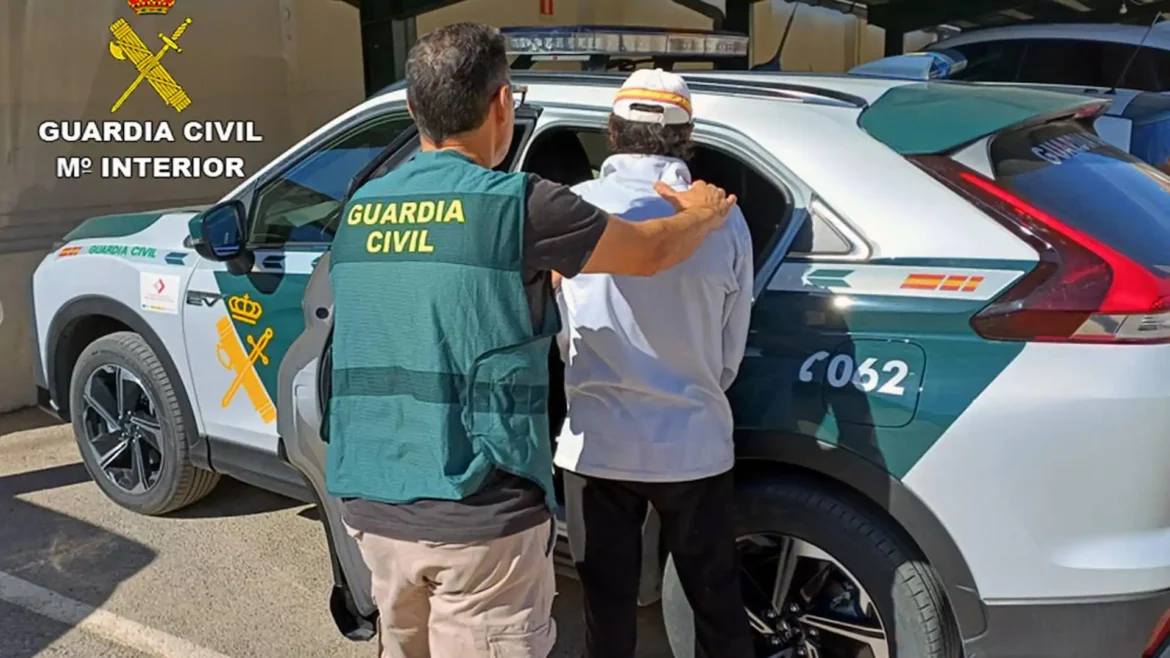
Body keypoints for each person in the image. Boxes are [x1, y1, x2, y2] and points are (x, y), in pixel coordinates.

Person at [325, 23, 738, 658]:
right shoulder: (524, 207)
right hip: (478, 515)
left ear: (412, 110)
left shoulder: (360, 208)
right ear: (503, 104)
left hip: (373, 507)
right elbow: (652, 252)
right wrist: (706, 212)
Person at [554, 69, 756, 658]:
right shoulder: (724, 218)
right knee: (717, 605)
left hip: (599, 446)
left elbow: (558, 331)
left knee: (607, 611)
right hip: (695, 441)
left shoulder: (575, 208)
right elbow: (730, 346)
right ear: (686, 136)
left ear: (612, 132)